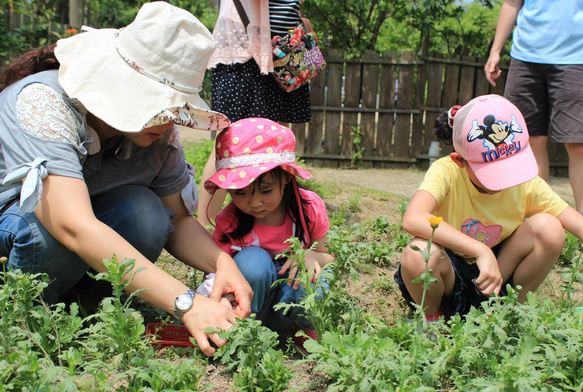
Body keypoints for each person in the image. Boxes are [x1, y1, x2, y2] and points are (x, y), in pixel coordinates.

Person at [0, 2, 253, 357]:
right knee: (46, 234)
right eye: (163, 107)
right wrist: (186, 303)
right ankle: (24, 319)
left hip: (75, 232)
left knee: (146, 212)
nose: (171, 120)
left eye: (177, 110)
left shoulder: (155, 132)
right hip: (15, 226)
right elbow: (73, 226)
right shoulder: (45, 103)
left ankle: (90, 310)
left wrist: (222, 261)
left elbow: (177, 220)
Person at [396, 94, 583, 320]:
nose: (504, 180)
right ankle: (433, 321)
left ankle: (508, 313)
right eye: (492, 172)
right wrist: (481, 250)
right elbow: (413, 218)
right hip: (450, 276)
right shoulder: (446, 171)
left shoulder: (524, 183)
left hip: (497, 276)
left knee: (549, 227)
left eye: (508, 167)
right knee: (419, 254)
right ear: (460, 160)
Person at [484, 0, 583, 221]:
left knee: (579, 144)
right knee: (527, 141)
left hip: (577, 58)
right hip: (525, 57)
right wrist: (495, 50)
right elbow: (511, 3)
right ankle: (537, 219)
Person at [198, 117, 333, 334]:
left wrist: (313, 256)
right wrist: (220, 302)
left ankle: (305, 334)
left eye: (266, 190)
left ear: (286, 178)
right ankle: (244, 332)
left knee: (314, 280)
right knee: (254, 262)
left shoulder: (308, 209)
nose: (255, 202)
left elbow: (330, 255)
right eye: (241, 193)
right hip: (249, 308)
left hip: (291, 304)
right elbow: (216, 271)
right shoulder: (230, 221)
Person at [196, 0, 312, 227]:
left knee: (276, 145)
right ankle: (203, 225)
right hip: (246, 52)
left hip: (282, 50)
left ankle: (271, 225)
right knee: (230, 141)